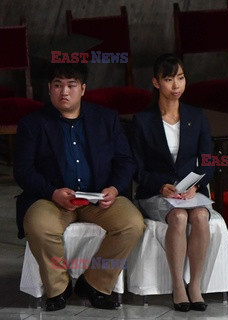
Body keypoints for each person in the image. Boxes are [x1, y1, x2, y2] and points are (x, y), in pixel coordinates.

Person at [13, 63, 145, 311]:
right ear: (49, 89)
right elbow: (23, 171)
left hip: (98, 197)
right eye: (57, 85)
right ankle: (59, 288)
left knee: (132, 223)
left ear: (83, 89)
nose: (64, 91)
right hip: (51, 198)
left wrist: (115, 189)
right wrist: (52, 192)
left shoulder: (106, 118)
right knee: (39, 226)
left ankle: (95, 283)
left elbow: (126, 161)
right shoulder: (32, 124)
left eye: (71, 85)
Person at [131, 53, 214, 312]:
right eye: (169, 79)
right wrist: (160, 185)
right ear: (156, 83)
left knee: (200, 216)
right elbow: (136, 167)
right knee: (178, 217)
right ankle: (178, 285)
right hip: (157, 192)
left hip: (192, 191)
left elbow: (208, 160)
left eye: (180, 78)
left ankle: (196, 286)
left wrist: (196, 186)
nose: (176, 85)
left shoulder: (196, 116)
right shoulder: (143, 120)